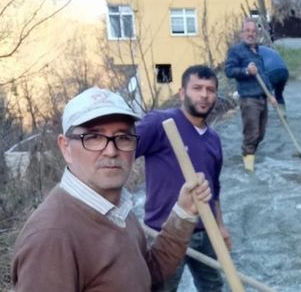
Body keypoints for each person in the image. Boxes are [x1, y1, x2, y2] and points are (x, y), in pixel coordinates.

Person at [11, 87, 212, 291]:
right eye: (94, 137)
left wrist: (183, 212)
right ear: (65, 148)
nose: (111, 150)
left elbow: (147, 274)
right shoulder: (51, 239)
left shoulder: (116, 207)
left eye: (123, 137)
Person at [135, 65, 230, 292]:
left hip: (204, 232)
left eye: (210, 89)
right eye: (197, 88)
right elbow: (119, 152)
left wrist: (220, 227)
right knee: (161, 288)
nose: (204, 95)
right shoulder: (160, 123)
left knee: (213, 286)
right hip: (165, 233)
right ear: (182, 93)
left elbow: (214, 190)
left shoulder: (213, 139)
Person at [225, 18, 277, 172]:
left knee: (260, 134)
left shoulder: (257, 51)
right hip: (249, 99)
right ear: (242, 33)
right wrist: (246, 71)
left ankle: (249, 155)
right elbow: (229, 71)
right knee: (252, 134)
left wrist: (270, 95)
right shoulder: (236, 51)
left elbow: (263, 75)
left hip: (262, 97)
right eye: (247, 31)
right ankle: (249, 169)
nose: (251, 34)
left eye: (253, 31)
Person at [259, 45, 289, 115]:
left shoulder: (253, 52)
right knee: (278, 94)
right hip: (284, 71)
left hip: (272, 72)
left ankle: (261, 115)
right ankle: (282, 113)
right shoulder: (268, 49)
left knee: (263, 94)